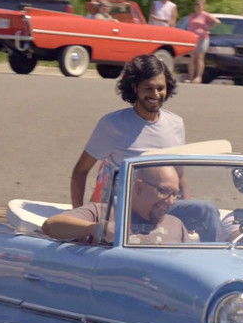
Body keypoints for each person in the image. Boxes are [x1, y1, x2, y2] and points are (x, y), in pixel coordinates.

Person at [70, 54, 220, 241]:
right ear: (135, 87)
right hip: (126, 208)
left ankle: (216, 256)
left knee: (206, 211)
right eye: (148, 88)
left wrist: (187, 207)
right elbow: (80, 171)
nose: (155, 94)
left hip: (164, 205)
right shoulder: (113, 124)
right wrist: (79, 219)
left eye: (160, 88)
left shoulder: (175, 124)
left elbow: (179, 175)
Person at [43, 165, 188, 245]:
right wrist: (98, 229)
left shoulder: (176, 225)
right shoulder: (101, 212)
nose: (171, 201)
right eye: (164, 191)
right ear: (139, 188)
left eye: (175, 194)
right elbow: (51, 225)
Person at [185, 0, 220, 83]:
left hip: (202, 38)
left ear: (203, 6)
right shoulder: (192, 16)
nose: (198, 7)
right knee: (192, 58)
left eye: (200, 5)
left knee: (199, 58)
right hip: (192, 38)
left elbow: (217, 22)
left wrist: (208, 28)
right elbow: (189, 26)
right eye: (196, 5)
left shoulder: (206, 15)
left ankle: (198, 77)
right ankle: (190, 77)